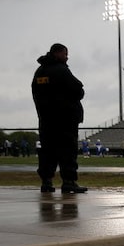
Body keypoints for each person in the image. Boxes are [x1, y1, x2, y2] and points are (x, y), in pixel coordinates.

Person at [31, 43, 87, 193]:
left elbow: (35, 93)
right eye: (65, 54)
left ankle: (46, 182)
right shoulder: (61, 70)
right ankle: (69, 182)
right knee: (67, 151)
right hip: (65, 120)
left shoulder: (39, 72)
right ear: (57, 53)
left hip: (46, 120)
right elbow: (78, 90)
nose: (67, 57)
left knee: (47, 152)